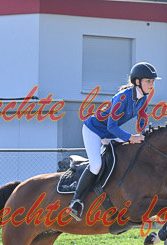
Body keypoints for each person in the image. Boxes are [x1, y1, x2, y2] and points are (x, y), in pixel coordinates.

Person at [68, 62, 161, 220]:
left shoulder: (143, 99)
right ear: (137, 82)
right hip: (94, 130)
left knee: (124, 156)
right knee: (96, 165)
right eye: (148, 81)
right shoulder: (122, 97)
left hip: (110, 132)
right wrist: (131, 137)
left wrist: (145, 135)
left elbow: (142, 120)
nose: (151, 85)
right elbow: (111, 126)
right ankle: (76, 202)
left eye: (152, 81)